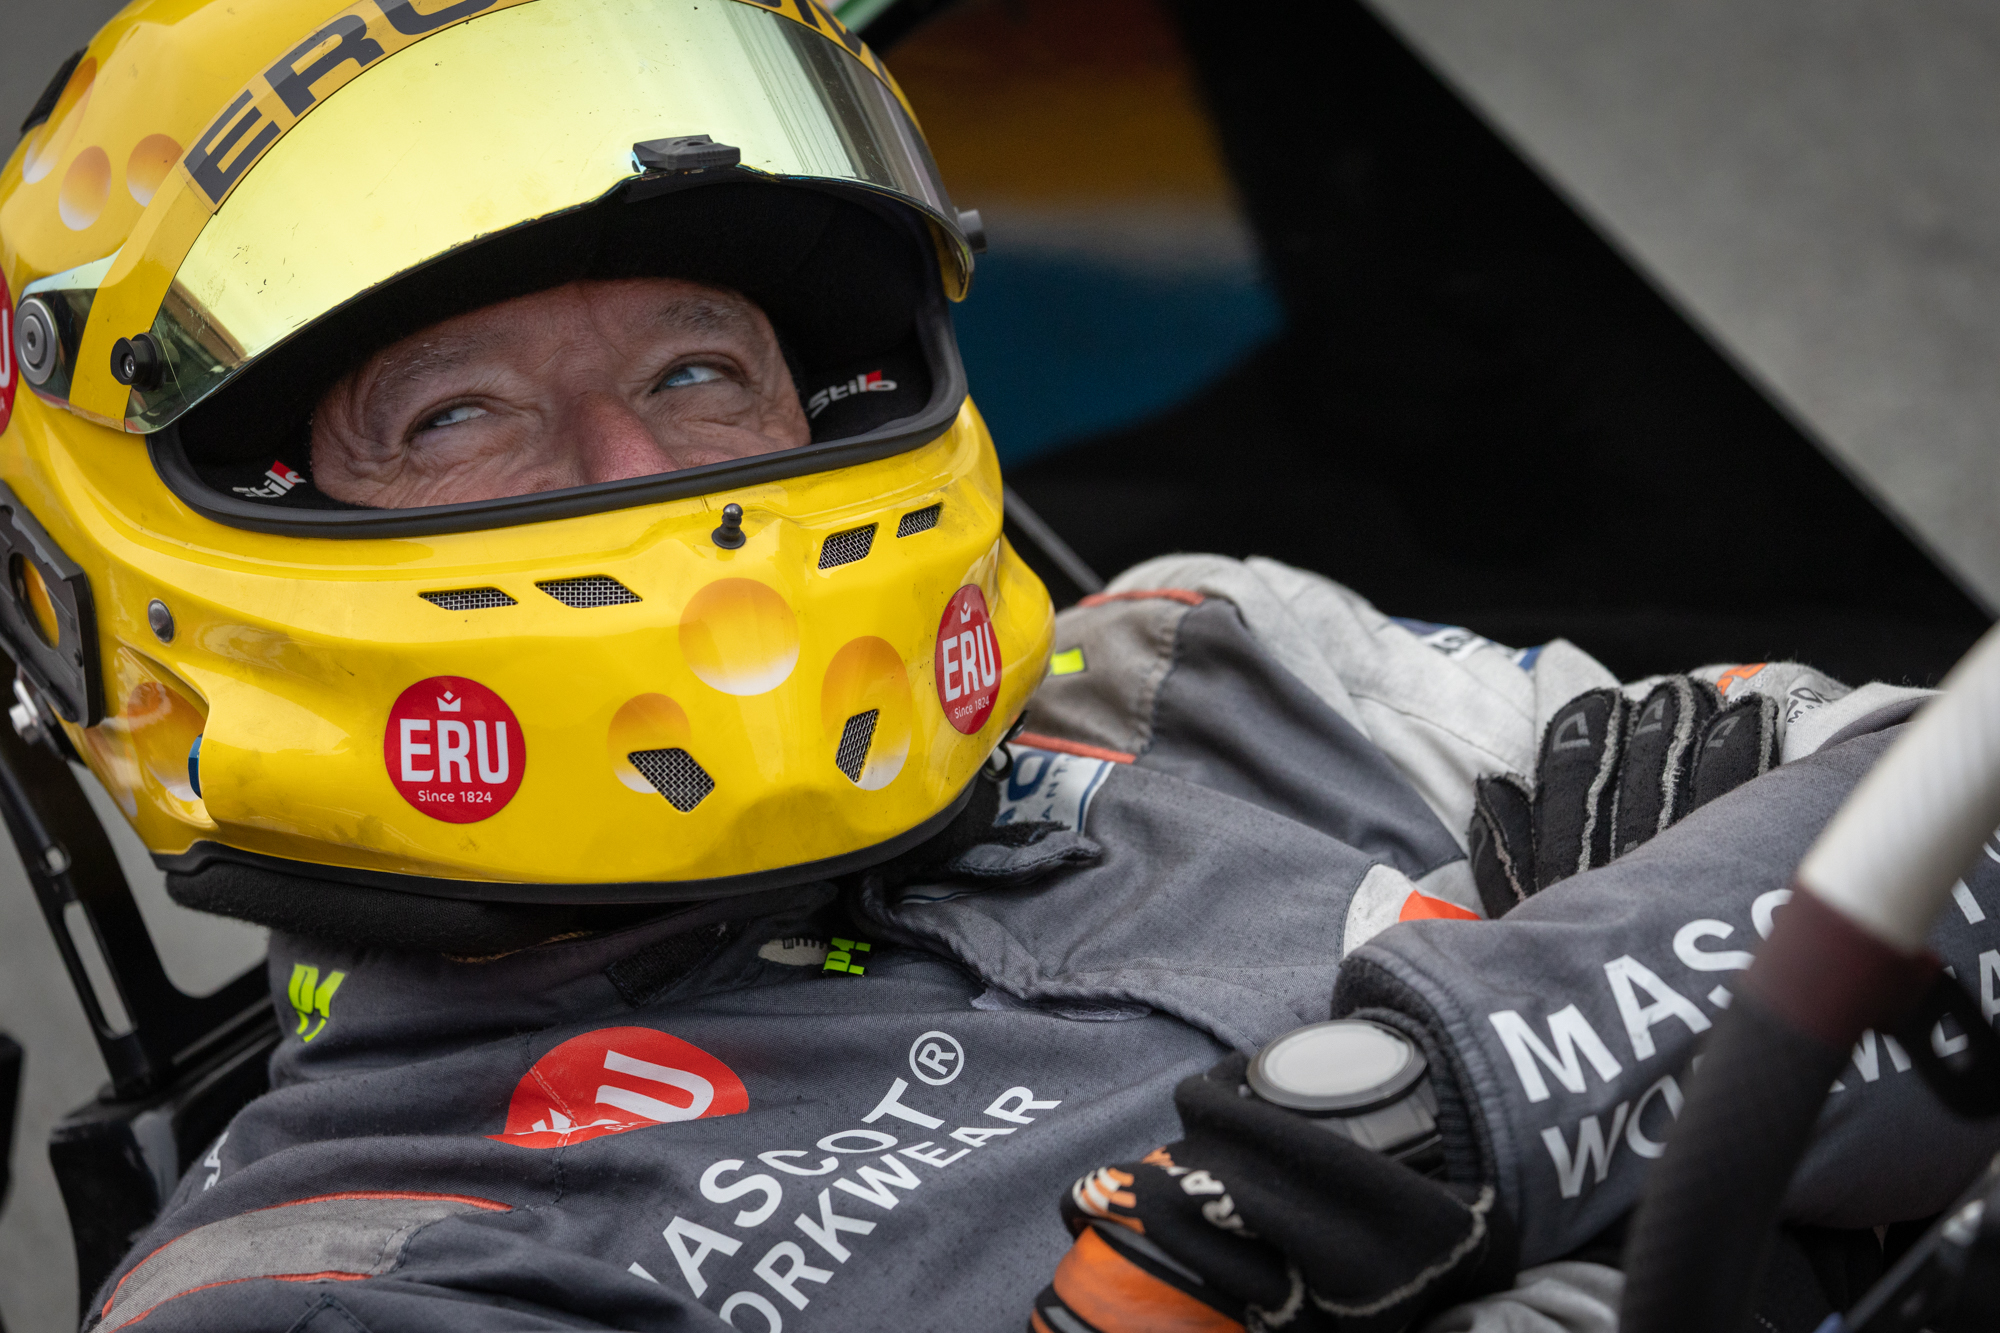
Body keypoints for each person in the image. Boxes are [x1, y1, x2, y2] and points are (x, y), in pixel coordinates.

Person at [5, 3, 1997, 1331]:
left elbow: (1956, 819)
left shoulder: (1191, 666)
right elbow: (1858, 912)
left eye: (697, 369)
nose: (633, 473)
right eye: (457, 416)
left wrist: (1451, 1103)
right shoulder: (319, 1281)